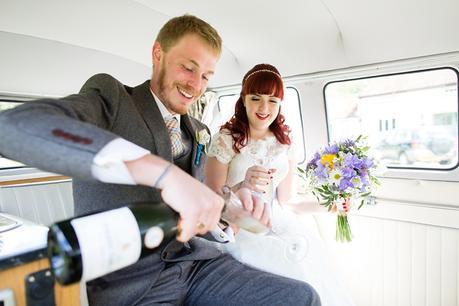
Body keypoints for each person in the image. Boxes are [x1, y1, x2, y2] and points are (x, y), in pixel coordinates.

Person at [0, 15, 321, 306]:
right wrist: (161, 173)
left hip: (198, 263)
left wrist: (232, 205)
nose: (196, 85)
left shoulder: (199, 131)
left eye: (206, 76)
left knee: (301, 297)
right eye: (188, 67)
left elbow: (198, 197)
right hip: (131, 282)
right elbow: (13, 128)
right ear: (158, 55)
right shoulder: (112, 98)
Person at [205, 63, 355, 306]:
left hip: (279, 222)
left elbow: (286, 201)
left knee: (308, 270)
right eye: (256, 98)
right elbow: (210, 201)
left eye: (273, 100)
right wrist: (242, 184)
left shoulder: (285, 142)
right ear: (243, 100)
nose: (264, 108)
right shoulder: (225, 140)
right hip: (239, 228)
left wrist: (329, 206)